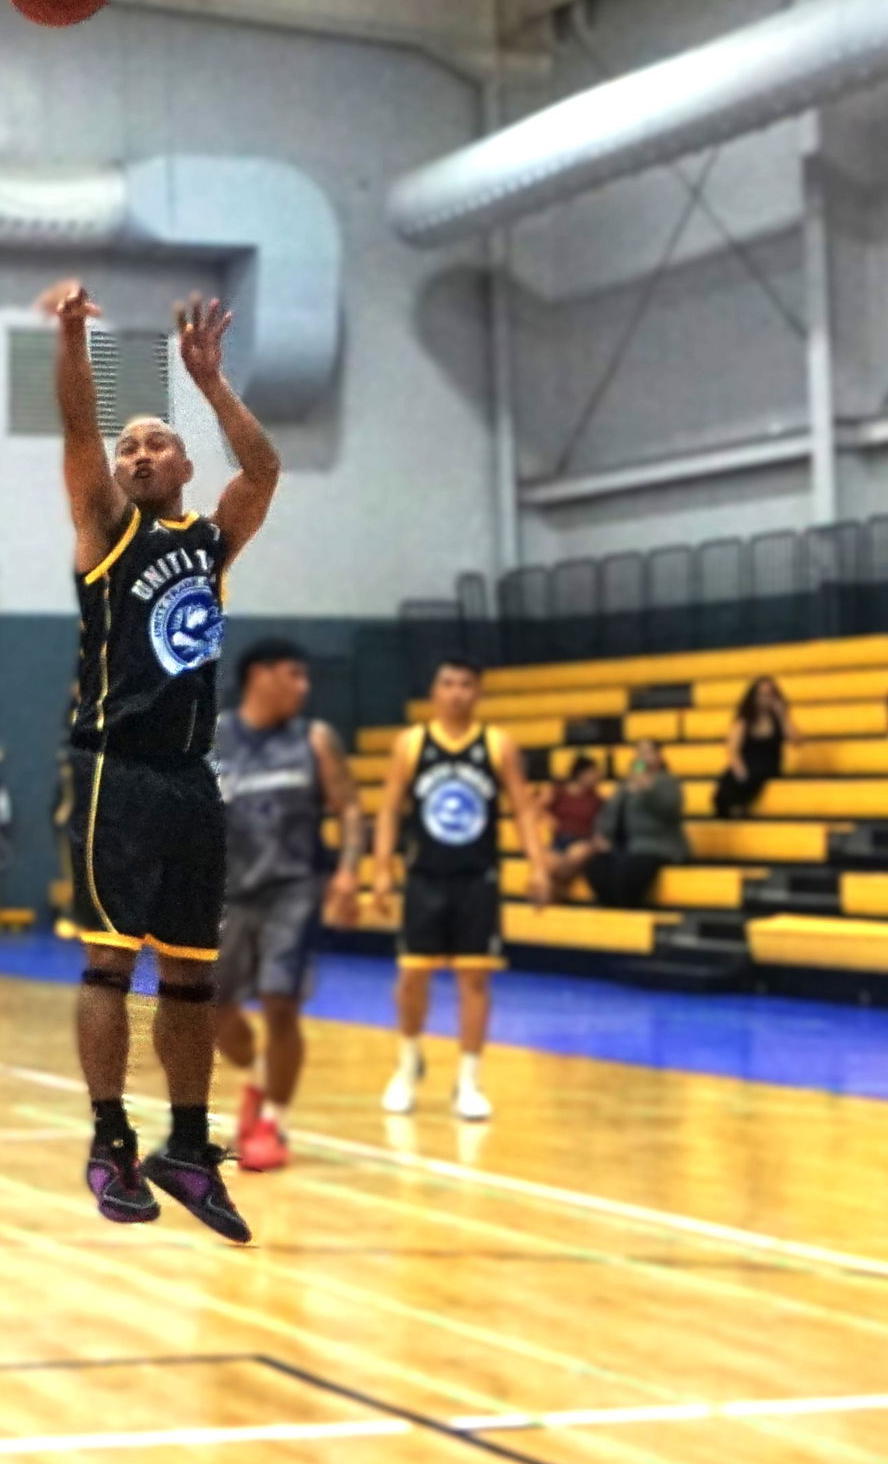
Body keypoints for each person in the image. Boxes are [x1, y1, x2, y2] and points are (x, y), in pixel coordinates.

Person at [50, 279, 281, 1243]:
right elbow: (75, 430)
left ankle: (187, 1146)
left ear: (185, 460)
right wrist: (73, 342)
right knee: (112, 965)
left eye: (156, 442)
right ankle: (110, 1140)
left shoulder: (211, 539)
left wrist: (213, 384)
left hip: (191, 777)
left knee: (192, 974)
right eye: (128, 446)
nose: (139, 452)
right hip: (116, 770)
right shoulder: (108, 531)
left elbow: (263, 471)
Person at [372, 657, 550, 1122]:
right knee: (412, 976)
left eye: (465, 685)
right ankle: (408, 1067)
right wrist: (382, 868)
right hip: (424, 877)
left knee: (475, 979)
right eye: (447, 683)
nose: (455, 692)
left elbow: (525, 810)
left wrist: (537, 864)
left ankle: (469, 1082)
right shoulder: (411, 744)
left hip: (478, 879)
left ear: (478, 693)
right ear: (435, 690)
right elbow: (390, 810)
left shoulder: (497, 745)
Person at [212, 640, 364, 1173]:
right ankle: (256, 1080)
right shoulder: (213, 741)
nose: (304, 687)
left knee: (281, 1002)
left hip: (293, 890)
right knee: (214, 1012)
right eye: (294, 675)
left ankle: (274, 1121)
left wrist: (348, 872)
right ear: (260, 677)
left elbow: (349, 810)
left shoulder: (316, 740)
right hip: (227, 893)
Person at [585, 737, 689, 908]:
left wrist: (647, 789)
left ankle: (626, 908)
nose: (643, 757)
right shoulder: (626, 785)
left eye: (648, 752)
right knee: (595, 866)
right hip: (625, 848)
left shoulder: (666, 781)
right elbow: (608, 812)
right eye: (639, 753)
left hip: (656, 846)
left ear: (659, 757)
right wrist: (602, 835)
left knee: (630, 869)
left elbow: (669, 810)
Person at [715, 677, 802, 818]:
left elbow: (797, 742)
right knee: (728, 781)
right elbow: (733, 749)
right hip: (747, 764)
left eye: (770, 695)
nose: (765, 699)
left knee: (755, 775)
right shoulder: (744, 720)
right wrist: (740, 772)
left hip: (769, 765)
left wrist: (783, 716)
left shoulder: (778, 719)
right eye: (761, 695)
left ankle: (740, 807)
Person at [544, 754, 605, 898]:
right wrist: (549, 819)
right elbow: (536, 807)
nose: (596, 777)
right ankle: (560, 894)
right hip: (559, 840)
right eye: (592, 773)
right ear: (581, 773)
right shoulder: (560, 790)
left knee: (576, 854)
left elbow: (602, 825)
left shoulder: (596, 799)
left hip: (582, 840)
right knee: (548, 863)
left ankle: (558, 895)